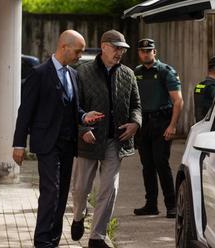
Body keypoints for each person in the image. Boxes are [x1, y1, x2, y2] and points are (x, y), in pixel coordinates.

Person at [12, 30, 103, 248]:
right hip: (46, 143)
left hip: (68, 143)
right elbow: (25, 112)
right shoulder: (39, 73)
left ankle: (53, 239)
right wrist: (18, 144)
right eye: (78, 51)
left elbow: (74, 107)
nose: (80, 55)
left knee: (62, 193)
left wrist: (83, 116)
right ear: (64, 47)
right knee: (50, 190)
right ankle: (42, 240)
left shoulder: (73, 74)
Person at [70, 30, 141, 248]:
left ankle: (96, 237)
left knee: (109, 188)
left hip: (115, 140)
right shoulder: (82, 72)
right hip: (88, 140)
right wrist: (83, 129)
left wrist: (135, 123)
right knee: (81, 188)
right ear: (104, 46)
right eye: (116, 47)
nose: (120, 52)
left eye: (123, 49)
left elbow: (136, 105)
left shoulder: (128, 74)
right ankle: (78, 216)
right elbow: (74, 107)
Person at [133, 38, 184, 218]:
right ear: (139, 53)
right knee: (147, 165)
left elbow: (177, 101)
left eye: (149, 50)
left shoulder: (165, 71)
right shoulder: (136, 72)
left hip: (161, 123)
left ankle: (172, 205)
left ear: (155, 52)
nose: (146, 53)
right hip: (143, 123)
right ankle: (151, 204)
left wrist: (172, 125)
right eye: (142, 51)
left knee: (161, 163)